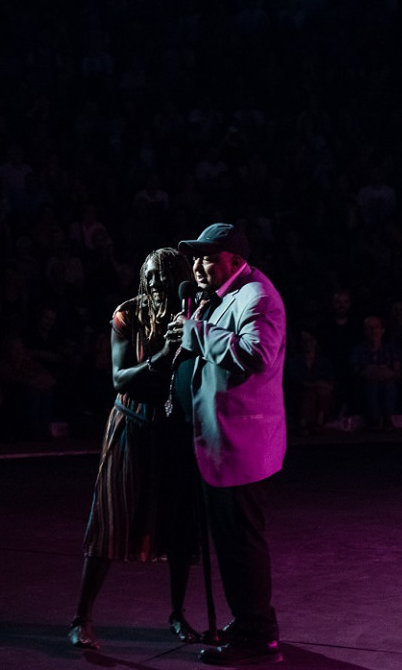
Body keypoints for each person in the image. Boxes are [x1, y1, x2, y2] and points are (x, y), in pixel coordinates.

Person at [69, 247, 201, 651]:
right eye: (152, 279)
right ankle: (82, 616)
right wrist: (161, 358)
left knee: (180, 527)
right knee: (111, 516)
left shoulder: (191, 314)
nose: (158, 285)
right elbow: (121, 378)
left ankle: (178, 613)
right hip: (131, 425)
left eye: (166, 278)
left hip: (174, 432)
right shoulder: (127, 315)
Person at [169, 223, 286, 666]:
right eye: (196, 258)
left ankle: (259, 636)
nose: (198, 267)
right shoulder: (224, 295)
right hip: (221, 444)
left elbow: (257, 354)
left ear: (234, 261)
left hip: (241, 445)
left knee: (242, 543)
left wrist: (196, 330)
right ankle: (252, 619)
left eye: (208, 258)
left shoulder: (258, 297)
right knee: (232, 542)